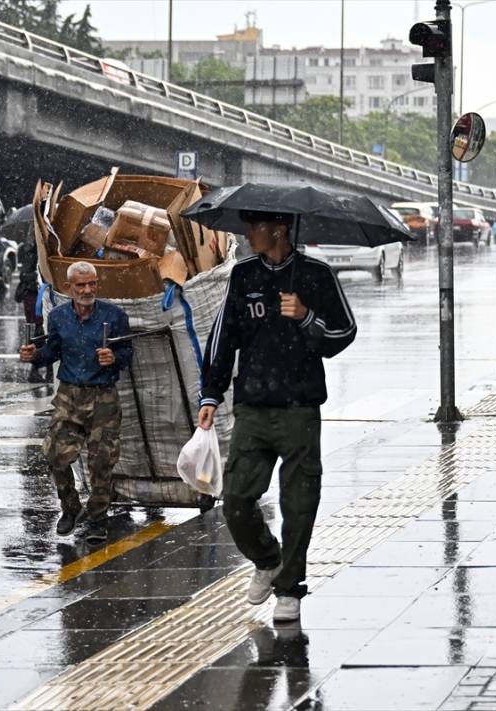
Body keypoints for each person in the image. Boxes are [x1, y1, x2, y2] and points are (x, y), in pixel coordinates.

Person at [198, 210, 356, 623]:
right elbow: (222, 336)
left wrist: (305, 318)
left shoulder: (317, 275)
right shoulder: (243, 275)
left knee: (299, 504)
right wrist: (211, 395)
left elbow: (344, 333)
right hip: (252, 405)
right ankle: (268, 559)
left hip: (300, 409)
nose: (248, 234)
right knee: (235, 499)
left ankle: (290, 589)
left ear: (279, 230)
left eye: (255, 227)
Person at [19, 261, 132, 544]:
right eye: (81, 285)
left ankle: (97, 519)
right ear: (70, 288)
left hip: (103, 396)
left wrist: (115, 358)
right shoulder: (58, 317)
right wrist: (34, 355)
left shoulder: (114, 316)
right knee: (55, 455)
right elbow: (52, 351)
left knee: (101, 462)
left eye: (92, 283)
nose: (87, 290)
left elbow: (128, 353)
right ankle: (70, 508)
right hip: (69, 395)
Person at [14, 233, 50, 382]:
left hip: (39, 294)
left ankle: (45, 370)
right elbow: (25, 275)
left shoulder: (45, 248)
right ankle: (38, 370)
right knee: (40, 331)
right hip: (34, 296)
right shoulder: (31, 250)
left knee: (45, 331)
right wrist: (36, 275)